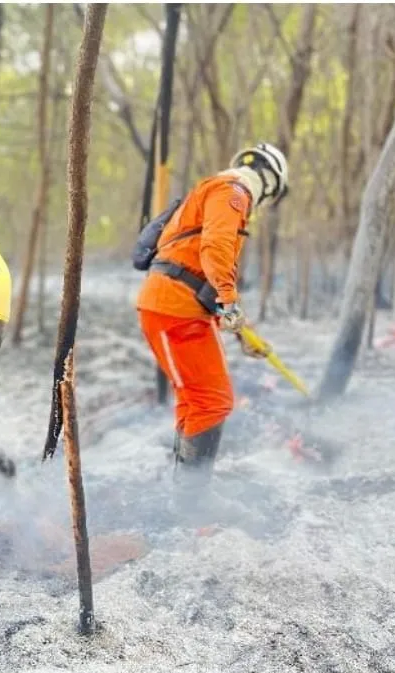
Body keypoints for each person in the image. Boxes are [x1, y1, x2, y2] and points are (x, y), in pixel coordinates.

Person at [135, 143, 289, 484]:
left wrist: (240, 330)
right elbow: (215, 249)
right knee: (212, 400)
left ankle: (186, 489)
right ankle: (194, 496)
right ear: (270, 180)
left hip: (175, 305)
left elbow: (197, 269)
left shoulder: (215, 191)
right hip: (174, 309)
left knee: (196, 399)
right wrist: (231, 302)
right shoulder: (232, 190)